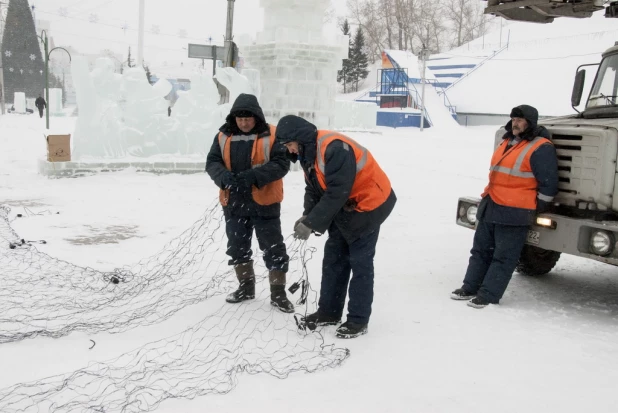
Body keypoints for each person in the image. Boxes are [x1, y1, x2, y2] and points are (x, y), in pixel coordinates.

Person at [275, 115, 397, 339]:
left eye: (290, 145)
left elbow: (336, 192)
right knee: (333, 259)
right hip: (346, 206)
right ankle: (329, 312)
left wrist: (312, 223)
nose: (290, 151)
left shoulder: (334, 148)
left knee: (359, 262)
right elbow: (313, 188)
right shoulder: (307, 153)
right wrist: (307, 216)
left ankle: (358, 320)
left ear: (299, 139)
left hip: (370, 203)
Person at [451, 104, 559, 309]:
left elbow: (549, 183)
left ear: (530, 122)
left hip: (516, 211)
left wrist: (537, 207)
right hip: (491, 202)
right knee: (480, 250)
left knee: (504, 256)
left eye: (519, 120)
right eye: (513, 119)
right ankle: (470, 287)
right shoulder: (507, 140)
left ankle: (489, 295)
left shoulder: (541, 147)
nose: (515, 123)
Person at [206, 93, 294, 313]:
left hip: (265, 201)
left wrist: (253, 177)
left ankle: (278, 293)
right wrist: (223, 177)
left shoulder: (273, 134)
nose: (243, 123)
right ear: (234, 118)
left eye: (248, 119)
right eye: (240, 119)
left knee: (273, 247)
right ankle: (246, 287)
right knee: (237, 246)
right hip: (233, 201)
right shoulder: (222, 135)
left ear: (256, 117)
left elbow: (281, 164)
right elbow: (212, 162)